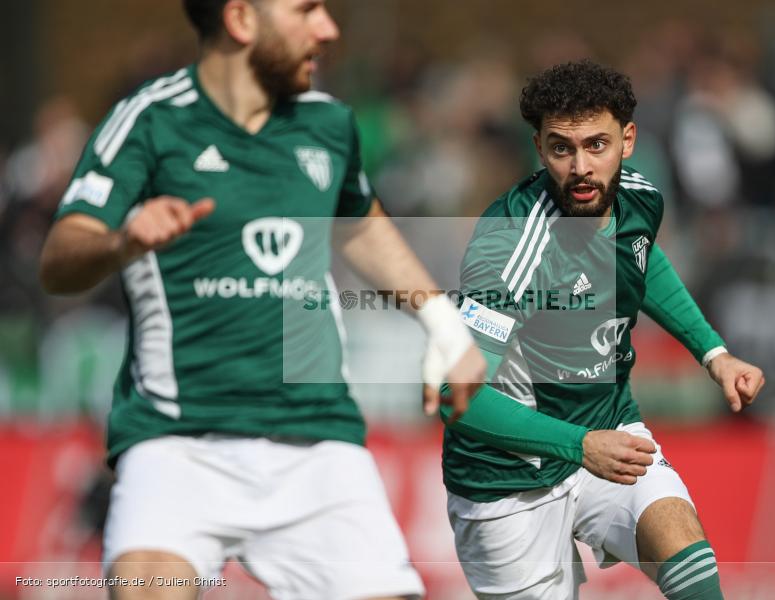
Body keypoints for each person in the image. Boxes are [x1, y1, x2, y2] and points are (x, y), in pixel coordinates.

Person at [39, 1, 485, 599]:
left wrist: (445, 326)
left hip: (315, 439)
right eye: (307, 10)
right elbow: (60, 258)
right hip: (178, 442)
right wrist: (123, 240)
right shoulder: (148, 121)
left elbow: (359, 225)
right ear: (242, 20)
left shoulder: (328, 125)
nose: (327, 28)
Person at [440, 60, 765, 599]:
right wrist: (577, 445)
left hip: (608, 432)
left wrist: (714, 353)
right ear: (539, 147)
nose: (581, 167)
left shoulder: (639, 197)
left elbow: (641, 261)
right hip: (507, 479)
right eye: (561, 148)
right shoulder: (509, 245)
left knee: (693, 565)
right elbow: (458, 395)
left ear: (628, 140)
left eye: (597, 144)